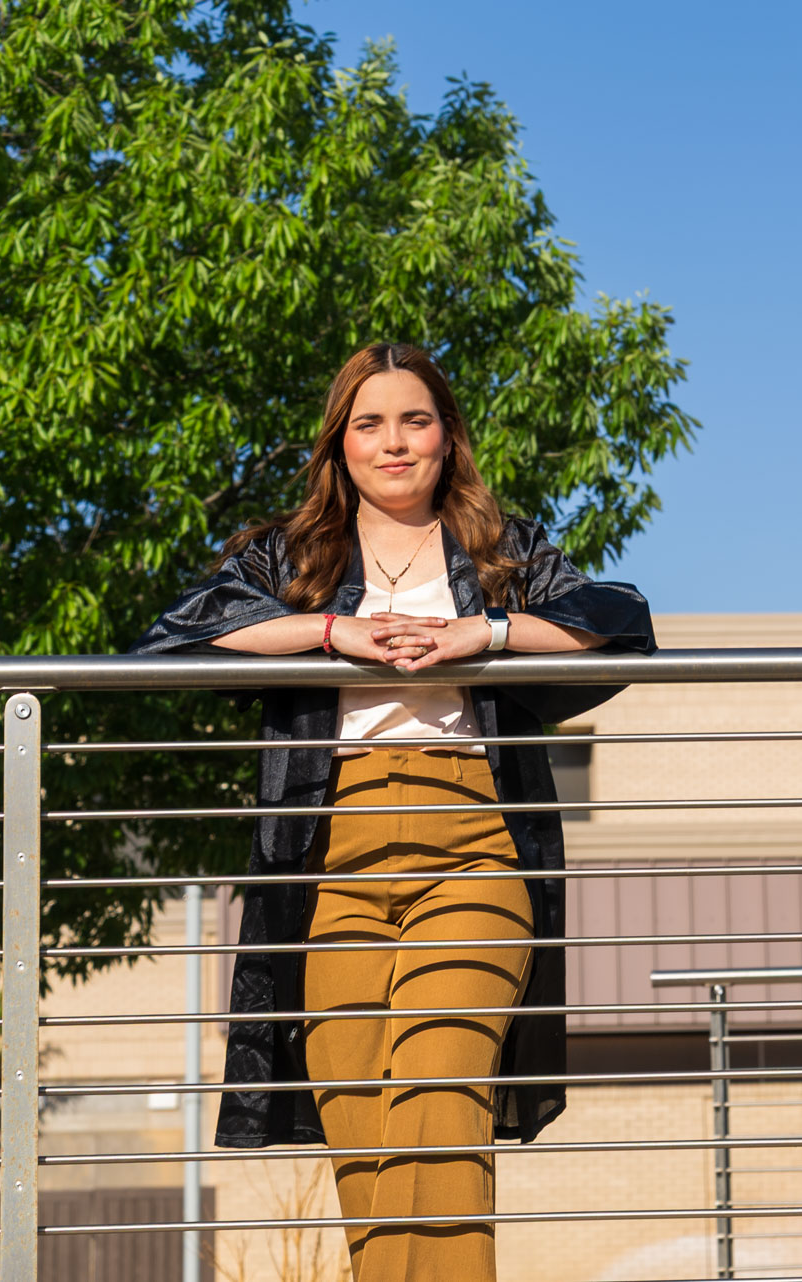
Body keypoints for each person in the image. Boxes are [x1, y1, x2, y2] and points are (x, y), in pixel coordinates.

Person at [131, 342, 655, 1282]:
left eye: (416, 420)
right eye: (369, 424)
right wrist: (336, 632)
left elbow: (616, 622)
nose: (394, 442)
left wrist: (482, 633)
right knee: (362, 1122)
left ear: (448, 437)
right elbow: (179, 636)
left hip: (475, 846)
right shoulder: (294, 554)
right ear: (341, 443)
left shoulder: (501, 550)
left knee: (438, 1096)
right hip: (329, 858)